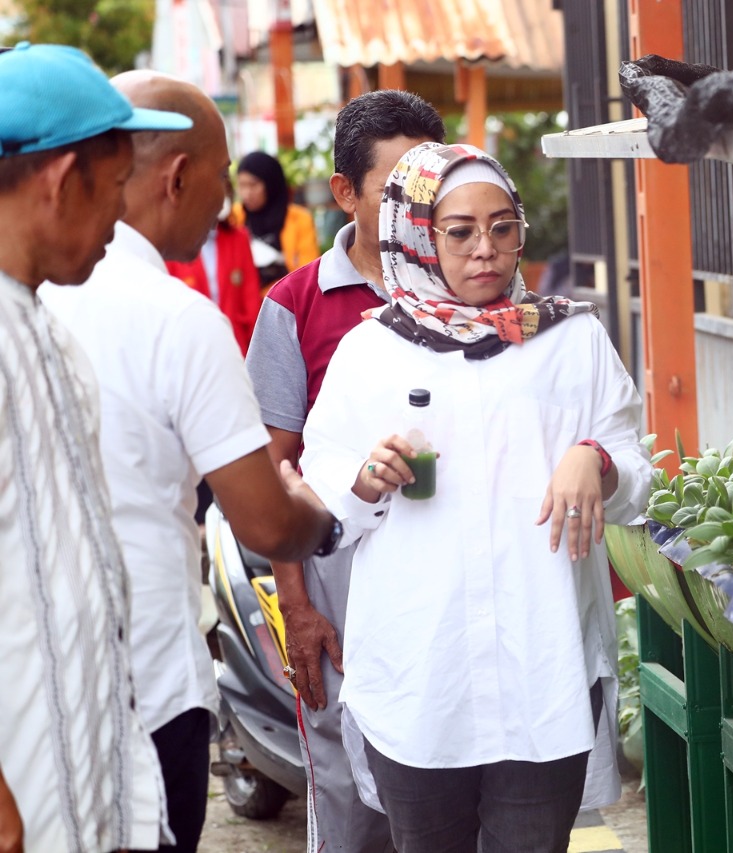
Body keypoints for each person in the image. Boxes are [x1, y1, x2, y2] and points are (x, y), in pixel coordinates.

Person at [299, 142, 651, 852]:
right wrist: (366, 479)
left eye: (502, 226)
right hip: (422, 675)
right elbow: (322, 493)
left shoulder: (572, 339)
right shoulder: (373, 351)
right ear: (420, 235)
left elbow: (640, 479)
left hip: (542, 667)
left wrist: (598, 460)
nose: (484, 248)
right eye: (459, 230)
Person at [38, 70, 345, 853]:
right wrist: (326, 510)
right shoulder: (177, 318)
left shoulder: (29, 301)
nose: (225, 199)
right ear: (178, 176)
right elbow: (267, 519)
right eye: (219, 175)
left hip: (35, 682)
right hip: (147, 680)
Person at [0, 43, 191, 853]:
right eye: (114, 187)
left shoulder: (45, 328)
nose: (121, 217)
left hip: (93, 789)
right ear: (61, 177)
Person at [245, 88, 445, 853]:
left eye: (430, 184)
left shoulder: (474, 289)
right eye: (394, 188)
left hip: (445, 583)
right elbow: (276, 467)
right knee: (349, 792)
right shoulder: (294, 304)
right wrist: (298, 608)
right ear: (344, 193)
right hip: (342, 593)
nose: (415, 206)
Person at [166, 191, 262, 355]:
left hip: (237, 347)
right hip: (193, 350)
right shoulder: (173, 244)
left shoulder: (238, 238)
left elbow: (251, 302)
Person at [232, 150, 320, 293]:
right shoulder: (234, 217)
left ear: (270, 184)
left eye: (253, 185)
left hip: (286, 300)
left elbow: (308, 272)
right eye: (242, 185)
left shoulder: (299, 219)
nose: (246, 193)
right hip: (245, 303)